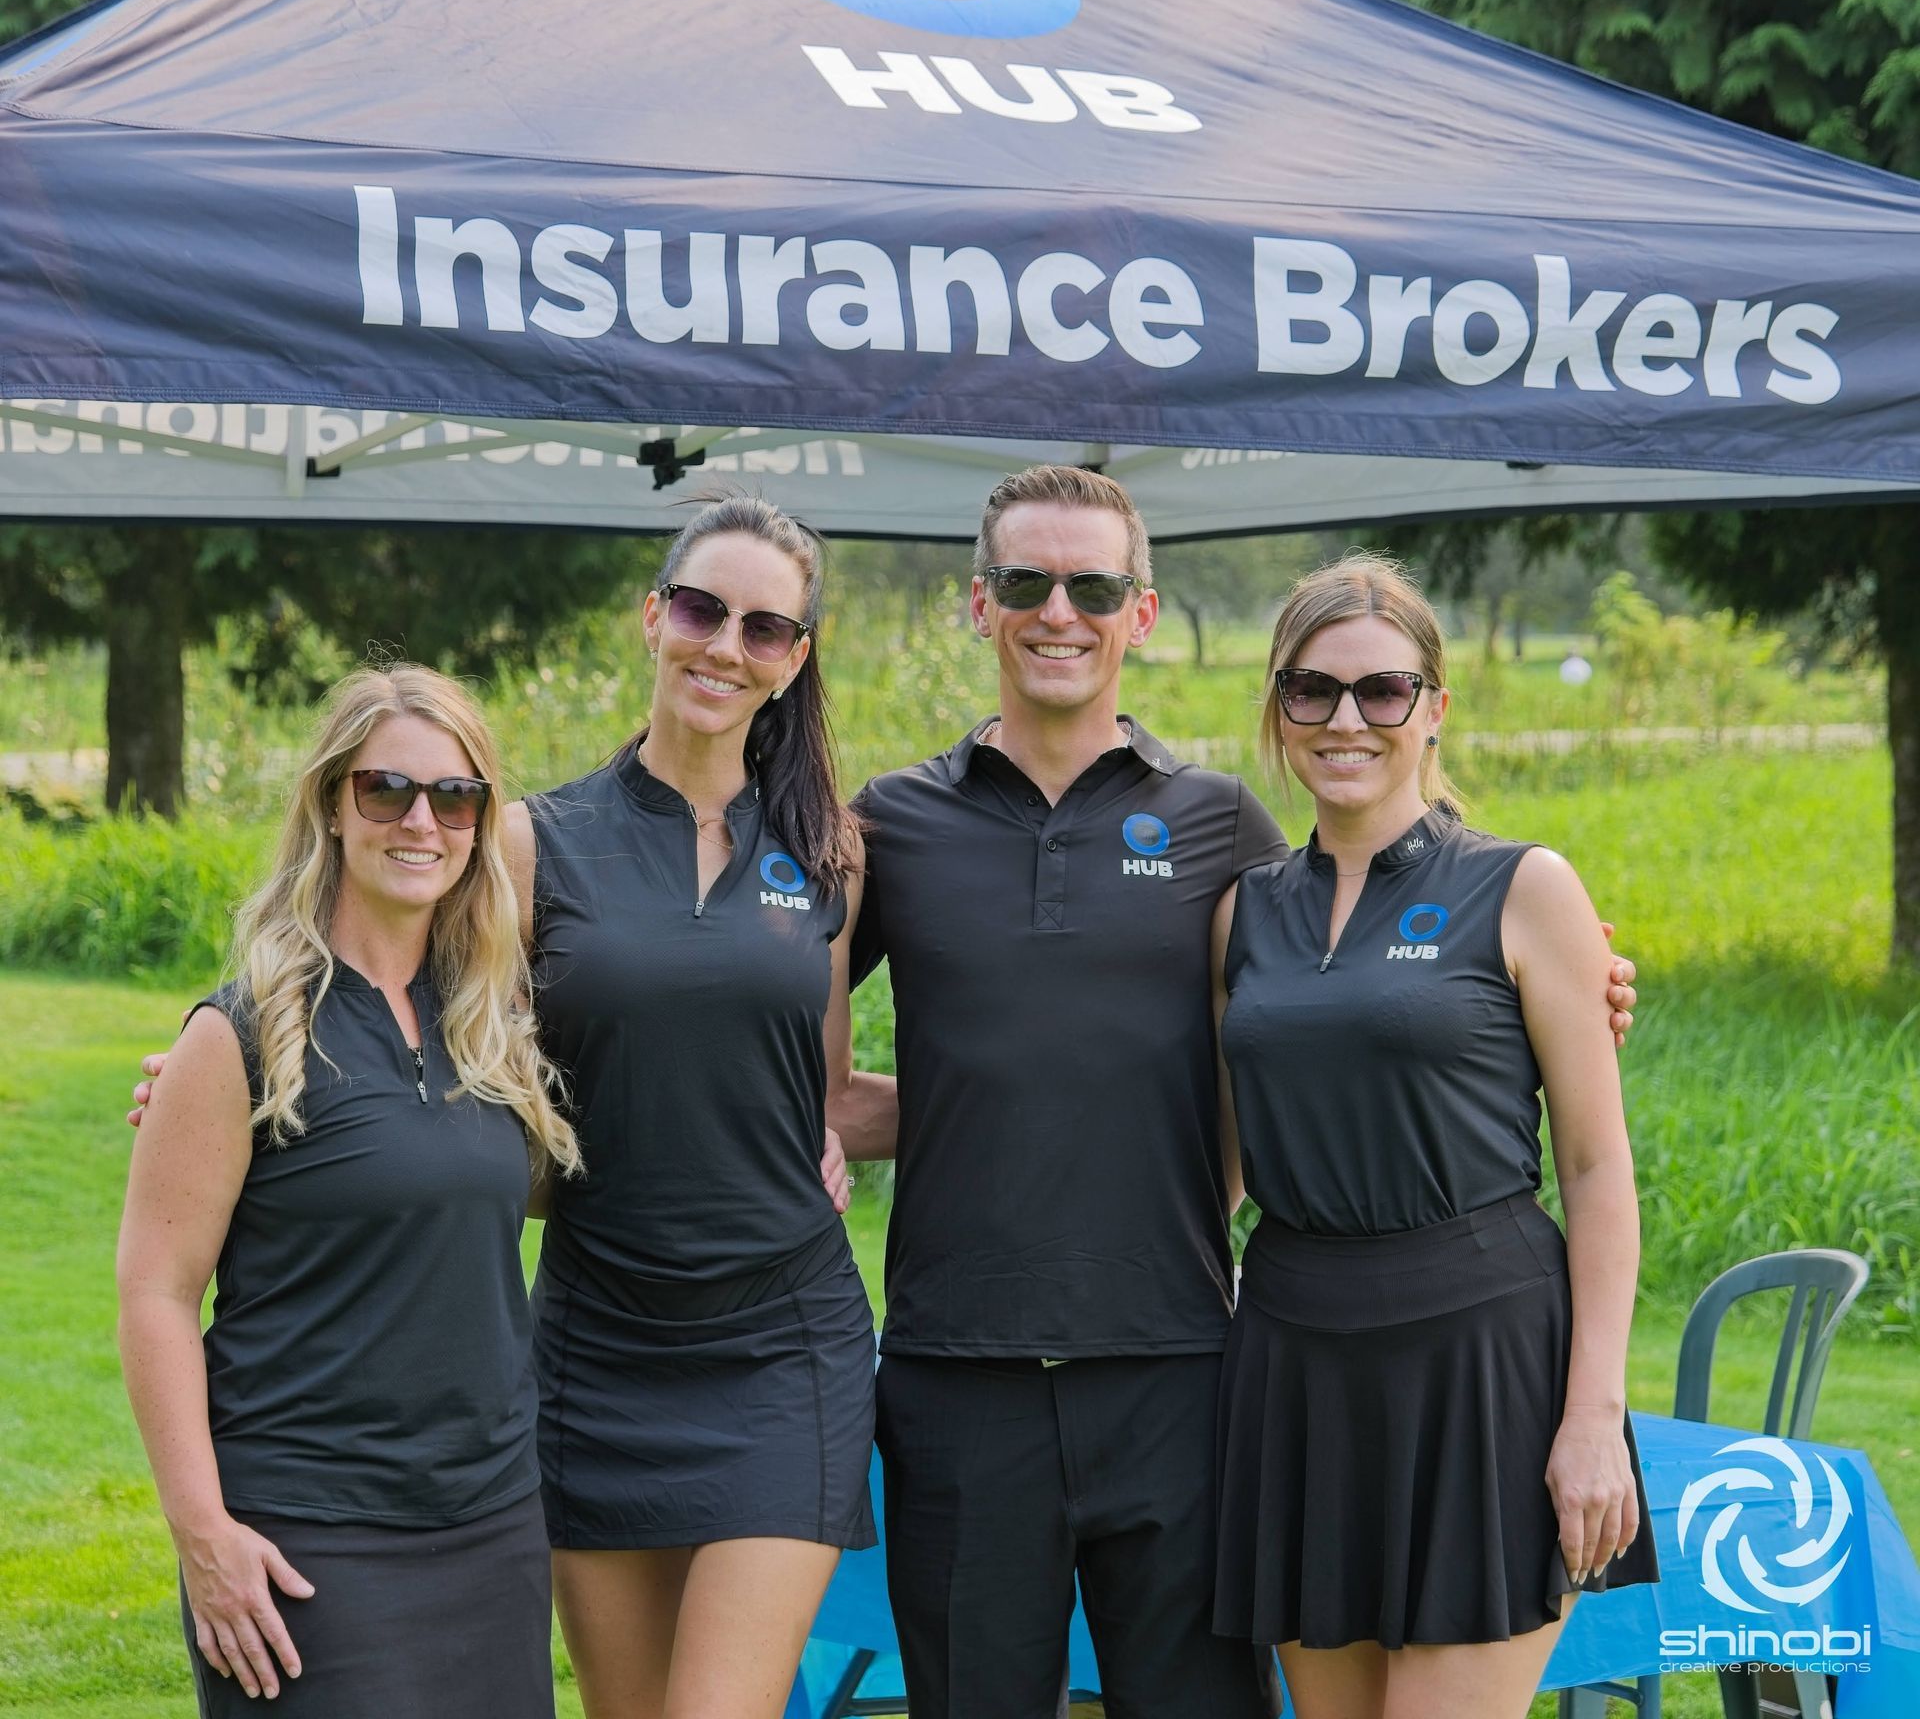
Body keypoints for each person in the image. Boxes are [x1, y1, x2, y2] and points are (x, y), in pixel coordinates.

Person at [826, 467, 1640, 1719]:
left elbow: (1390, 968)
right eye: (1029, 584)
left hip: (1196, 1375)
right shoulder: (893, 824)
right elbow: (763, 1011)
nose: (1061, 611)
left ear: (1140, 614)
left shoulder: (1218, 830)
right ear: (978, 605)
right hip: (980, 1372)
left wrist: (1578, 981)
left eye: (1094, 586)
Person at [1209, 553, 1660, 1719]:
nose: (1345, 719)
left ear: (1434, 708)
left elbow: (1600, 1170)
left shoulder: (1525, 888)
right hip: (1296, 1358)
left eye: (1382, 690)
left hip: (1481, 1360)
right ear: (1277, 708)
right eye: (1311, 690)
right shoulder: (1241, 911)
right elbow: (1220, 1160)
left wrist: (1593, 1419)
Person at [117, 664, 580, 1716]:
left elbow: (498, 1194)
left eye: (455, 798)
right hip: (305, 1545)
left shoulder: (491, 1030)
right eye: (387, 790)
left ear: (479, 824)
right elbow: (154, 1295)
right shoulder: (236, 1036)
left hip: (491, 1526)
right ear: (333, 804)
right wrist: (203, 1537)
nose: (423, 821)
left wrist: (811, 1138)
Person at [510, 493, 877, 1719]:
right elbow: (420, 1038)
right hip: (596, 1344)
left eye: (764, 627)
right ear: (653, 616)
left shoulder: (832, 851)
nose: (726, 645)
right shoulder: (527, 844)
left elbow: (816, 1088)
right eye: (702, 609)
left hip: (786, 1345)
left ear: (795, 659)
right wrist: (230, 1065)